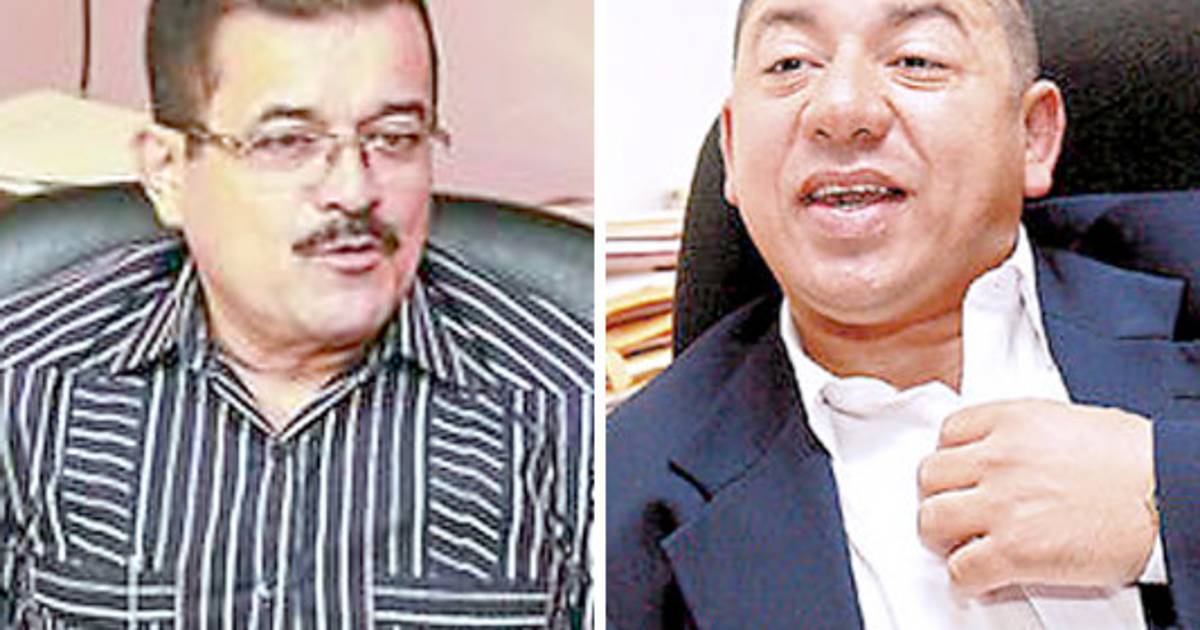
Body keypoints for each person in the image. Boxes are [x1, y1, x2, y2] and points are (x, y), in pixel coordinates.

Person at [606, 0, 1200, 627]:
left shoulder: (1182, 266)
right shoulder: (622, 500)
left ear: (1032, 134)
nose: (841, 110)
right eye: (790, 64)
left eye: (916, 59)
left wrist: (1168, 498)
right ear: (732, 148)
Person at [0, 0, 592, 626]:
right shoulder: (25, 381)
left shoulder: (565, 404)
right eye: (287, 142)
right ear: (168, 171)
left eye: (394, 138)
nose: (354, 191)